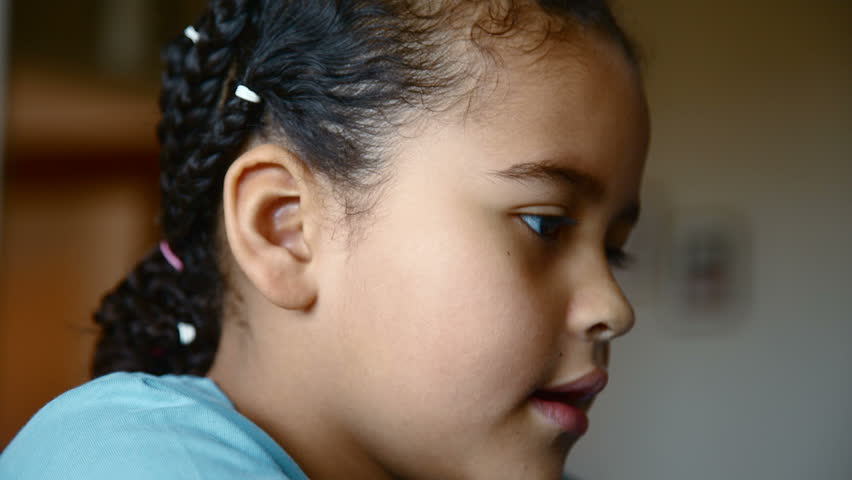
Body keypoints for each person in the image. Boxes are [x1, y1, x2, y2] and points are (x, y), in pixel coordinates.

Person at [0, 0, 649, 478]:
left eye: (614, 247)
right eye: (546, 224)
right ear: (284, 228)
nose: (614, 307)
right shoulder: (132, 461)